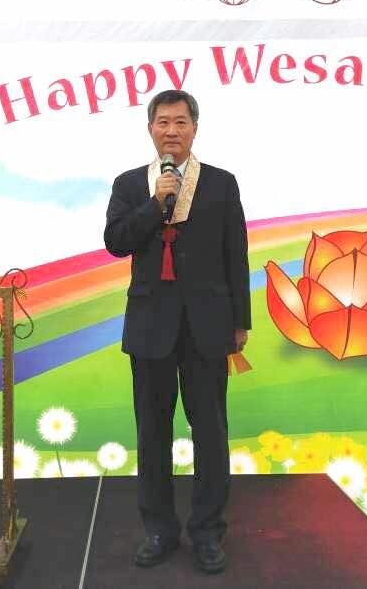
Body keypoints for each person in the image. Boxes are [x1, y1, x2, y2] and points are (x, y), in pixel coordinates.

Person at [104, 89, 251, 574]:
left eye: (181, 122)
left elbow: (236, 254)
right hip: (150, 328)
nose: (172, 130)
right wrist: (154, 205)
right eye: (163, 122)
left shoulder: (222, 184)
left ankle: (208, 532)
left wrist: (240, 321)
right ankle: (160, 529)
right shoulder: (130, 184)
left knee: (210, 431)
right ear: (150, 129)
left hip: (208, 327)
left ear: (195, 128)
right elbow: (115, 242)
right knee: (152, 432)